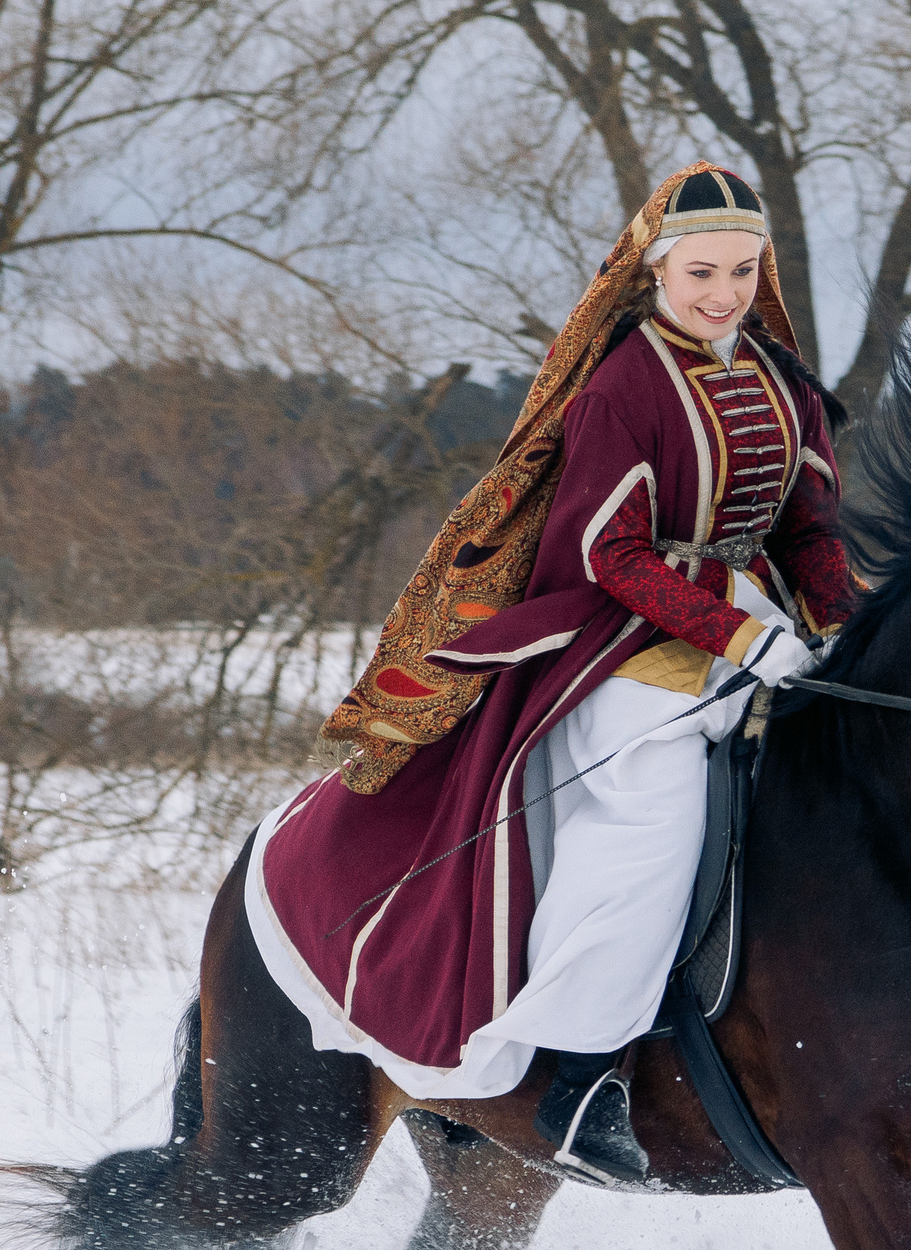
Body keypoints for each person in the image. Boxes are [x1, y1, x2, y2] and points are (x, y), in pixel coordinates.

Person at [252, 164, 852, 1186]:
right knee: (650, 808)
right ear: (655, 268)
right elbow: (610, 557)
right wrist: (732, 638)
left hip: (762, 625)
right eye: (701, 270)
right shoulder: (622, 388)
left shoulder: (783, 381)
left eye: (742, 272)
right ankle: (579, 1074)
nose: (723, 292)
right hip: (623, 643)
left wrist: (841, 625)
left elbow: (808, 528)